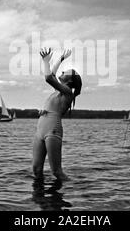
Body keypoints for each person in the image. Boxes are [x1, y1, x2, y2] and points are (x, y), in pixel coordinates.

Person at [32, 48, 82, 181]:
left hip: (52, 131)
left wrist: (45, 61)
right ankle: (40, 200)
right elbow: (52, 75)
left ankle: (76, 189)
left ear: (69, 81)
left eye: (66, 72)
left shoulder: (67, 92)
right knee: (36, 170)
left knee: (56, 172)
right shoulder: (58, 91)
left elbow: (49, 77)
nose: (63, 72)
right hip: (40, 130)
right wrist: (60, 58)